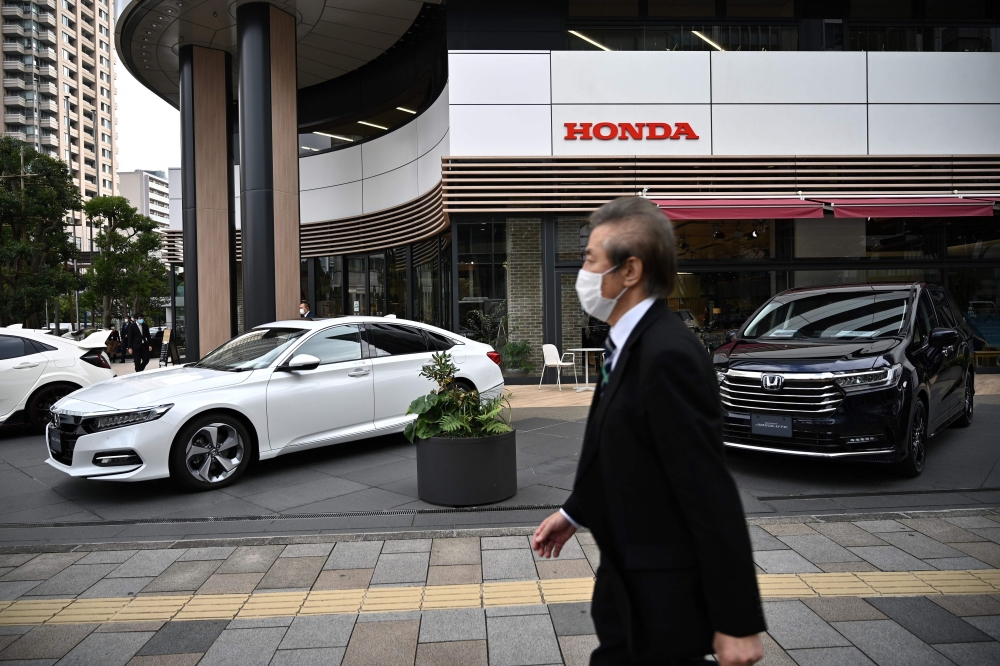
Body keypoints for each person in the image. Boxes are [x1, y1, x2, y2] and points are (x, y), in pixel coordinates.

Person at [531, 197, 764, 666]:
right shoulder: (624, 341)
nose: (584, 271)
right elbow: (619, 450)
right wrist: (574, 512)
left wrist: (736, 621)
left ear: (630, 270)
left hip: (664, 597)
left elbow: (707, 486)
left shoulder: (667, 353)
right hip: (628, 582)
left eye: (592, 259)